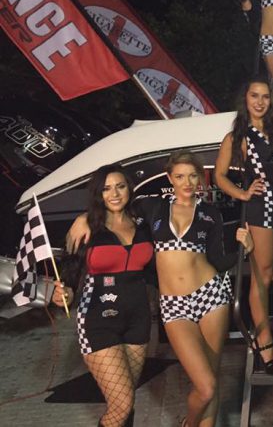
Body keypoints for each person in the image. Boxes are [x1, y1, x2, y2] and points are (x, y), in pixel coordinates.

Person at [68, 151, 236, 427]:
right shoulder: (151, 207)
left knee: (211, 380)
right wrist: (84, 217)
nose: (187, 182)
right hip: (173, 304)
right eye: (179, 176)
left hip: (211, 295)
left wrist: (243, 248)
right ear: (169, 178)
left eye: (193, 176)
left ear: (201, 179)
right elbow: (114, 206)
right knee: (204, 386)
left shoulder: (210, 213)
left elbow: (217, 260)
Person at [53, 164, 153, 427]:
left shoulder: (143, 222)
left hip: (138, 320)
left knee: (127, 401)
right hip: (98, 320)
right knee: (121, 405)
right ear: (98, 194)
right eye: (106, 189)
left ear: (129, 188)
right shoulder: (87, 227)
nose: (115, 194)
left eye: (120, 186)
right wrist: (65, 292)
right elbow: (70, 271)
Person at [214, 77, 273, 373]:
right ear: (245, 99)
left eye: (265, 96)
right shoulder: (237, 137)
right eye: (254, 96)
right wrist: (243, 194)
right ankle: (266, 346)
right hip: (261, 209)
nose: (260, 102)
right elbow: (219, 176)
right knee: (263, 276)